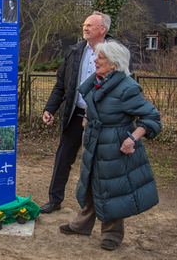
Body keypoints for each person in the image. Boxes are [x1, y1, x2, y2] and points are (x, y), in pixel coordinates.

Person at [59, 41, 161, 251]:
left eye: (101, 58)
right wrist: (87, 117)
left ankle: (112, 234)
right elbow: (94, 103)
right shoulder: (98, 81)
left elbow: (152, 117)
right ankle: (82, 224)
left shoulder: (127, 88)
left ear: (114, 64)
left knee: (113, 188)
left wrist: (132, 139)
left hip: (115, 144)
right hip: (95, 141)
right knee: (89, 182)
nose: (95, 61)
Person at [40, 11, 117, 214]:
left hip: (100, 119)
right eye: (84, 24)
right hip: (75, 114)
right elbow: (60, 85)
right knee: (63, 158)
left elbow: (125, 85)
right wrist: (50, 108)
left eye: (90, 25)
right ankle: (55, 200)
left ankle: (101, 208)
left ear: (103, 29)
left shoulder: (115, 52)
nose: (85, 28)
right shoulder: (75, 51)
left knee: (100, 164)